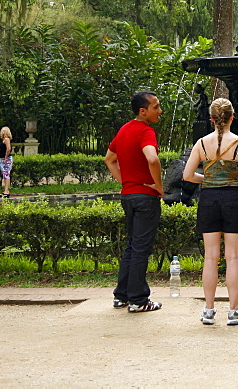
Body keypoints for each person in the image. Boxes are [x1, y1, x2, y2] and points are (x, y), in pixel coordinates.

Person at [183, 98, 238, 326]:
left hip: (208, 199)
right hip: (233, 199)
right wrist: (235, 182)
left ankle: (208, 310)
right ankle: (234, 311)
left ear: (211, 119)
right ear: (232, 118)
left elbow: (187, 175)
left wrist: (207, 179)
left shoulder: (201, 143)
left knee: (210, 257)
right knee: (233, 257)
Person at [105, 90, 165, 313]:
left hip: (128, 196)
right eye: (156, 107)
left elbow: (109, 159)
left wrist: (127, 182)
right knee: (141, 249)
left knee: (132, 246)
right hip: (145, 198)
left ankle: (122, 296)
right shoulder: (145, 131)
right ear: (143, 111)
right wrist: (158, 186)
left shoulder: (124, 130)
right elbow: (152, 157)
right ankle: (139, 300)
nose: (160, 111)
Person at [0, 126, 13, 198]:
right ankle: (5, 190)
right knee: (4, 175)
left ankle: (6, 191)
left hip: (6, 159)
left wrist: (6, 157)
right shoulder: (4, 139)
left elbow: (8, 149)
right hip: (3, 158)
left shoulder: (6, 139)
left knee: (6, 175)